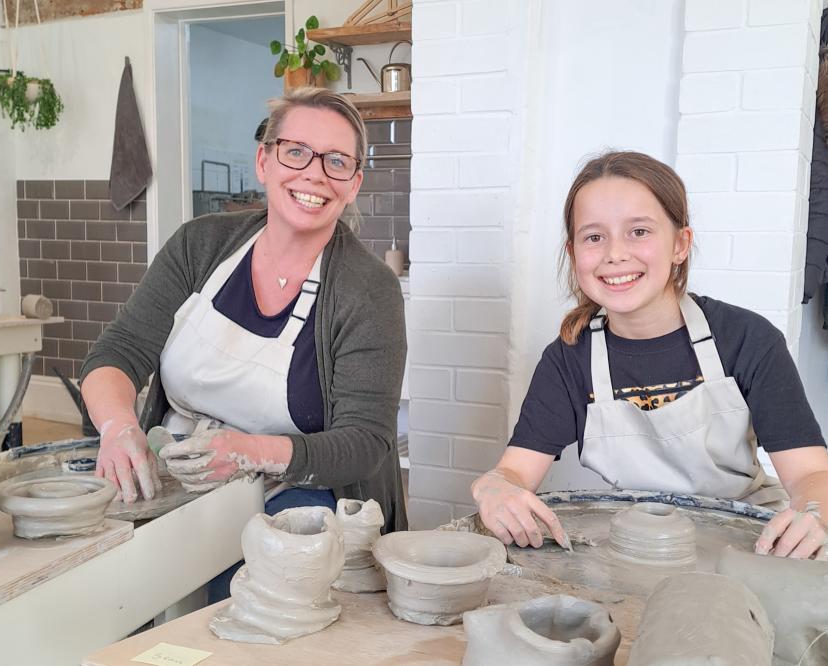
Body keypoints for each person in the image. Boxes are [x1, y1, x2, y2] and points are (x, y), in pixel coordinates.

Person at [80, 87, 407, 550]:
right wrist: (118, 428)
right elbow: (118, 352)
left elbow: (364, 442)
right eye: (296, 152)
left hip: (297, 497)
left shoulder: (368, 290)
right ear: (263, 161)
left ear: (353, 184)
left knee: (244, 584)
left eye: (336, 161)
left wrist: (247, 452)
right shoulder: (199, 246)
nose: (314, 174)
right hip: (174, 478)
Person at [472, 151, 828, 560]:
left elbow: (811, 472)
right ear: (574, 253)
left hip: (746, 546)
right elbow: (515, 471)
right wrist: (494, 487)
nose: (615, 254)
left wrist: (816, 513)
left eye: (638, 231)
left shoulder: (747, 339)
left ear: (680, 244)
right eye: (594, 237)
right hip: (635, 548)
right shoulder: (569, 359)